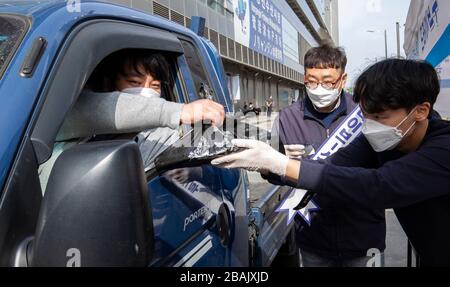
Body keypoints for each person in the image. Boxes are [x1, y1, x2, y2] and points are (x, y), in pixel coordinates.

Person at [212, 59, 450, 267]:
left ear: (420, 111)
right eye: (366, 116)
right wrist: (270, 164)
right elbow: (329, 168)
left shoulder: (443, 148)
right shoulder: (380, 142)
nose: (370, 126)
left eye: (379, 117)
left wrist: (281, 165)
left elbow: (380, 186)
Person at [39, 49, 225, 192]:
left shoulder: (162, 133)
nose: (145, 92)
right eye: (134, 83)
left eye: (155, 86)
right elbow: (92, 110)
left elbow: (202, 151)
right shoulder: (71, 119)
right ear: (108, 84)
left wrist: (192, 172)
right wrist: (179, 110)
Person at [271, 44, 386, 267]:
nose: (318, 88)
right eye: (311, 81)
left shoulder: (365, 113)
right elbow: (273, 172)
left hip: (364, 236)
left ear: (343, 80)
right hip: (314, 238)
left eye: (327, 81)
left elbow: (385, 169)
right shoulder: (287, 118)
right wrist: (276, 165)